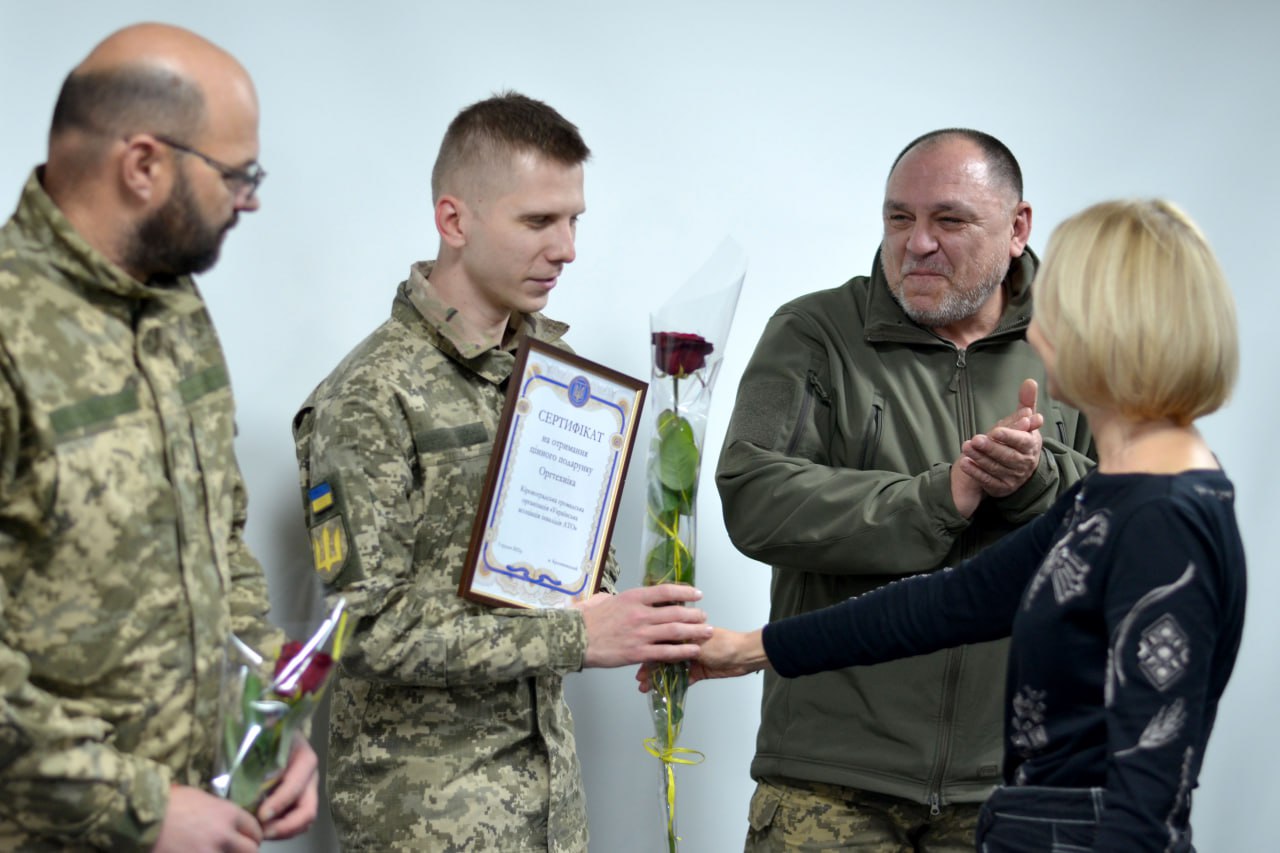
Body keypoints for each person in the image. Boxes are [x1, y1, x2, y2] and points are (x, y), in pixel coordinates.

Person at [680, 198, 1244, 852]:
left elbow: (1146, 802)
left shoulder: (1163, 518)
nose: (1034, 330)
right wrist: (750, 648)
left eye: (1055, 307)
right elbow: (952, 602)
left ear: (1106, 327)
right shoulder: (1116, 496)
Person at [292, 91, 711, 853]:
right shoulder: (370, 395)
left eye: (574, 219)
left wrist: (627, 605)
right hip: (426, 822)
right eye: (538, 220)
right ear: (454, 221)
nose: (567, 248)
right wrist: (574, 635)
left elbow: (578, 574)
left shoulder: (557, 379)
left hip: (552, 811)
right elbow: (364, 631)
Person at [714, 128, 1095, 851]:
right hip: (828, 779)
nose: (917, 243)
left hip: (1012, 781)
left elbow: (1125, 513)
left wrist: (1035, 480)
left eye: (949, 220)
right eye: (899, 218)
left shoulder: (1077, 340)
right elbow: (754, 496)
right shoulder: (813, 331)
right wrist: (937, 498)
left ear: (1017, 228)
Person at [0, 23, 317, 853]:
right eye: (236, 173)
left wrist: (270, 720)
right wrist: (136, 804)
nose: (249, 199)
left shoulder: (174, 309)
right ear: (143, 165)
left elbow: (220, 542)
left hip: (201, 816)